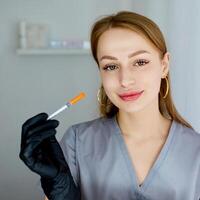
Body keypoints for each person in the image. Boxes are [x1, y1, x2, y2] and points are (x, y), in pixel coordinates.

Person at [19, 11, 200, 200]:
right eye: (111, 66)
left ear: (164, 65)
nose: (125, 80)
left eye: (139, 62)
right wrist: (59, 188)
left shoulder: (196, 151)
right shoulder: (77, 142)